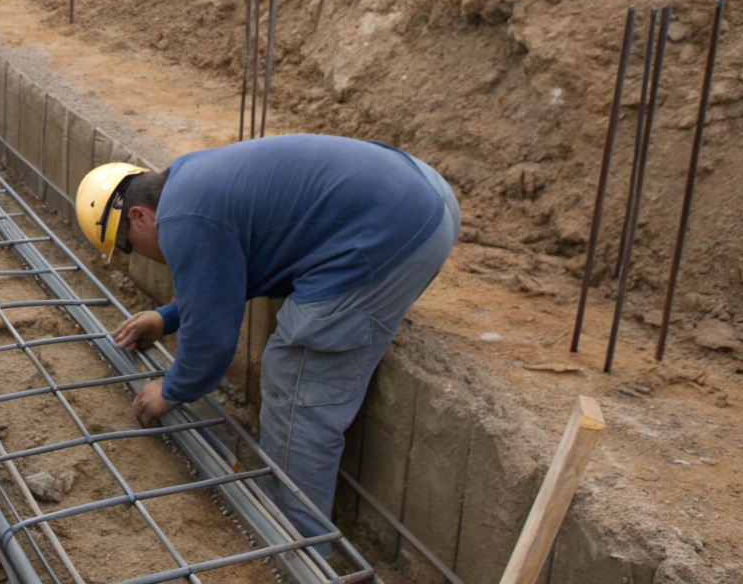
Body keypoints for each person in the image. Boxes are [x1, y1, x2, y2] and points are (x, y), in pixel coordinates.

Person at [74, 134, 459, 539]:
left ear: (139, 217)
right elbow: (228, 274)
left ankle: (302, 548)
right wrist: (168, 317)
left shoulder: (182, 219)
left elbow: (211, 341)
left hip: (392, 231)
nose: (138, 255)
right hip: (425, 196)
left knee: (297, 382)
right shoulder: (190, 182)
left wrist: (171, 389)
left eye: (127, 247)